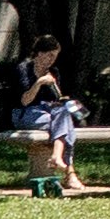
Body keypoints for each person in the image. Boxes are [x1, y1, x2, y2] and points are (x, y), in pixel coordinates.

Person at [13, 48, 86, 196]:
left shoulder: (53, 71)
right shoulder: (24, 69)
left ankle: (57, 157)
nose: (52, 60)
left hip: (49, 114)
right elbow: (25, 101)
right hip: (26, 114)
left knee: (64, 118)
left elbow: (57, 99)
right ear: (39, 53)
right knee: (66, 125)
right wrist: (39, 82)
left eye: (55, 56)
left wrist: (55, 89)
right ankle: (69, 172)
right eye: (49, 55)